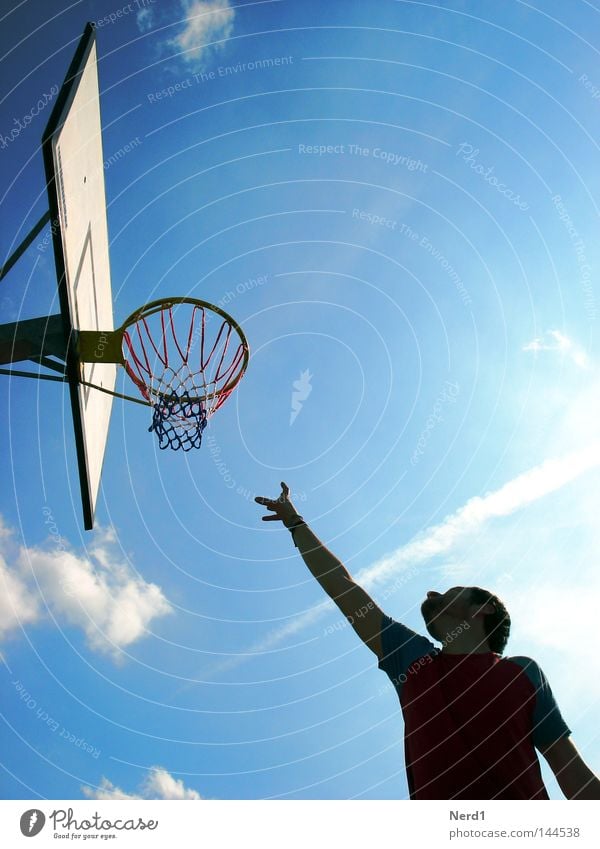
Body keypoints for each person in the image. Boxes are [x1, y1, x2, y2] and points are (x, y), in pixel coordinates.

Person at [255, 482, 600, 800]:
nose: (433, 592)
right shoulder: (412, 660)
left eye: (451, 591)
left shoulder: (524, 673)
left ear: (484, 609)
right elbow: (344, 588)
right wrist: (295, 523)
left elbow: (576, 779)